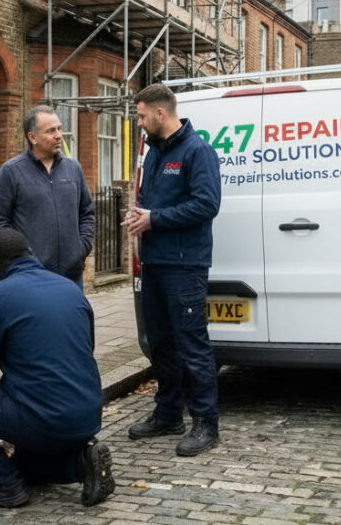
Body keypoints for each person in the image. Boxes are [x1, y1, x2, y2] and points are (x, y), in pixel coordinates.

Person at [0, 228, 114, 509]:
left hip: (43, 418)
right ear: (30, 253)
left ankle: (3, 483)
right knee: (26, 465)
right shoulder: (71, 289)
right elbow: (83, 352)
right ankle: (81, 463)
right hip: (87, 414)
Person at [123, 83, 222, 457]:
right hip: (154, 264)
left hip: (185, 266)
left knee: (192, 346)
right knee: (161, 345)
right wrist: (139, 217)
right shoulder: (153, 154)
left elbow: (207, 205)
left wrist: (154, 219)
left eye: (142, 116)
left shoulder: (197, 151)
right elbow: (151, 204)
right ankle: (168, 414)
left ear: (160, 113)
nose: (139, 122)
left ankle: (206, 423)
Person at [0, 105, 94, 289]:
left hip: (72, 276)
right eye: (51, 131)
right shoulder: (11, 171)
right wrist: (22, 260)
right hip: (29, 277)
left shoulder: (73, 168)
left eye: (59, 129)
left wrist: (82, 248)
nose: (59, 135)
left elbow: (86, 213)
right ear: (33, 137)